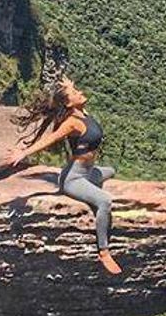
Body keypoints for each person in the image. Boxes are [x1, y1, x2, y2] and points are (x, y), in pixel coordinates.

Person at [7, 77, 122, 275]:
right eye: (75, 93)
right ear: (69, 104)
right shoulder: (71, 123)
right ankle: (103, 251)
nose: (80, 92)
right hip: (74, 179)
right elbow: (51, 139)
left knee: (111, 171)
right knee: (105, 201)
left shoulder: (82, 111)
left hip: (88, 172)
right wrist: (24, 153)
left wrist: (68, 86)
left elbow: (68, 98)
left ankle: (93, 187)